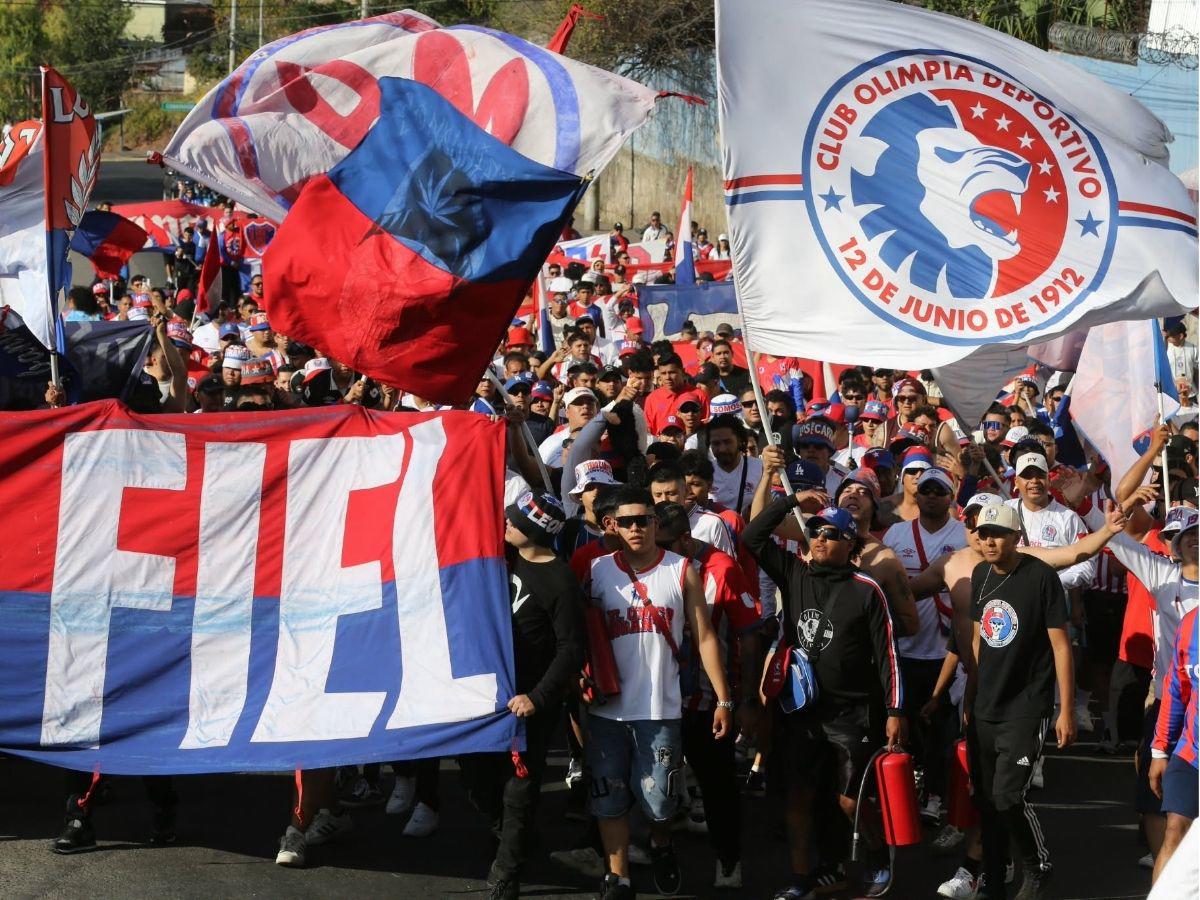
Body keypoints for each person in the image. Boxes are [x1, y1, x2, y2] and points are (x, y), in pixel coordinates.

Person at [743, 496, 905, 899]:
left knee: (849, 802)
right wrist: (789, 501)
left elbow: (888, 654)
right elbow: (751, 537)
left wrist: (895, 709)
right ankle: (801, 878)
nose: (820, 539)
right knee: (798, 797)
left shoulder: (868, 590)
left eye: (832, 534)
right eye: (815, 531)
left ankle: (877, 856)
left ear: (852, 544)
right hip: (800, 712)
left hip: (851, 713)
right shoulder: (794, 573)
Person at [584, 487, 734, 900]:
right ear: (612, 525)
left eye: (644, 520)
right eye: (627, 521)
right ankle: (619, 877)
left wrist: (723, 698)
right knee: (608, 796)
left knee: (661, 800)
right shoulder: (596, 570)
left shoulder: (682, 568)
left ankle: (661, 844)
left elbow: (705, 637)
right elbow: (579, 636)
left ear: (655, 523)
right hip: (605, 710)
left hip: (660, 708)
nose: (636, 528)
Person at [459, 491, 585, 900]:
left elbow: (571, 649)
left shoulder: (561, 581)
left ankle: (506, 871)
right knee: (475, 775)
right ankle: (514, 836)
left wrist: (538, 697)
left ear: (535, 530)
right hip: (486, 695)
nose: (506, 524)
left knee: (519, 786)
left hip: (528, 702)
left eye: (514, 520)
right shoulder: (500, 558)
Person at [965, 503, 1077, 900]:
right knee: (986, 801)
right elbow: (979, 641)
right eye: (983, 533)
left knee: (1009, 797)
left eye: (998, 533)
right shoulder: (979, 574)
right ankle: (994, 879)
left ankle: (1037, 863)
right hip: (985, 708)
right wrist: (969, 696)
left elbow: (1061, 647)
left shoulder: (1041, 577)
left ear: (1017, 538)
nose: (989, 540)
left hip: (1027, 706)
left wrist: (1065, 709)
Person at [654, 501, 762, 890]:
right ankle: (655, 847)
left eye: (665, 543)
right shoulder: (651, 563)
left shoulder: (722, 569)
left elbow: (749, 635)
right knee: (653, 779)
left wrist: (745, 700)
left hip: (707, 702)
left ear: (686, 538)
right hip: (659, 699)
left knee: (717, 786)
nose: (656, 549)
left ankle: (728, 859)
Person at [883, 467, 968, 824]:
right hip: (904, 648)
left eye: (940, 491)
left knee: (943, 728)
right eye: (926, 490)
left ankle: (935, 794)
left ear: (951, 497)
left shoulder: (964, 535)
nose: (932, 496)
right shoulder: (896, 533)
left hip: (946, 650)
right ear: (916, 495)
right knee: (906, 724)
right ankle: (911, 786)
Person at [1148, 604, 1198, 885]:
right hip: (1192, 754)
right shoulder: (1192, 623)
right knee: (1174, 831)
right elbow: (1176, 690)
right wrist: (1159, 750)